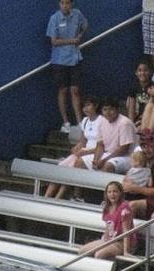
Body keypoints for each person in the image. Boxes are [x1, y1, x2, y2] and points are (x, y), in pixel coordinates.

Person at [45, 96, 104, 199]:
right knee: (61, 167)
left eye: (88, 105)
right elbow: (83, 140)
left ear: (96, 106)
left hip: (96, 153)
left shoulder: (102, 121)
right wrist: (77, 147)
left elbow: (102, 145)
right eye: (84, 106)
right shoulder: (85, 121)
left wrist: (86, 152)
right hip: (82, 152)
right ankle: (46, 197)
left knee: (71, 168)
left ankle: (58, 198)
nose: (85, 109)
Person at [47, 0, 88, 134]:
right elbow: (54, 41)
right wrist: (71, 41)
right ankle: (66, 122)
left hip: (75, 58)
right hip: (59, 60)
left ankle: (80, 121)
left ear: (72, 4)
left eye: (68, 3)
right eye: (63, 3)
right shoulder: (54, 18)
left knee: (75, 90)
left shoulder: (77, 14)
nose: (65, 6)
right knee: (63, 90)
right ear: (59, 4)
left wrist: (80, 36)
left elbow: (85, 25)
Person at [123, 129, 154, 219]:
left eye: (151, 147)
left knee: (132, 206)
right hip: (139, 196)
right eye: (144, 147)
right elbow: (126, 180)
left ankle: (129, 232)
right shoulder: (140, 161)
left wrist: (135, 188)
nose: (147, 150)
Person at [79, 181, 136, 259]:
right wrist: (103, 241)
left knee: (99, 254)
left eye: (115, 191)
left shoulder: (124, 207)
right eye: (109, 192)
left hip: (121, 242)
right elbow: (108, 227)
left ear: (120, 193)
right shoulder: (107, 207)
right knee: (82, 251)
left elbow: (126, 231)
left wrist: (126, 251)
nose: (112, 194)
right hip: (110, 240)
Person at [92, 97, 136, 173]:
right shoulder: (102, 121)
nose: (108, 112)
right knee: (80, 162)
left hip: (127, 157)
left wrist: (104, 160)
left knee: (107, 166)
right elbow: (100, 144)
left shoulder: (125, 123)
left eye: (111, 109)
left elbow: (124, 149)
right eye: (105, 109)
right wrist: (96, 159)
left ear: (117, 110)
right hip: (108, 154)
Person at [126, 59, 154, 126]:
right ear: (136, 73)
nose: (142, 73)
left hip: (150, 119)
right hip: (137, 119)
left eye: (145, 70)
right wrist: (131, 124)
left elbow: (152, 110)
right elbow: (131, 109)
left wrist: (142, 122)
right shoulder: (134, 87)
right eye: (140, 70)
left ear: (150, 72)